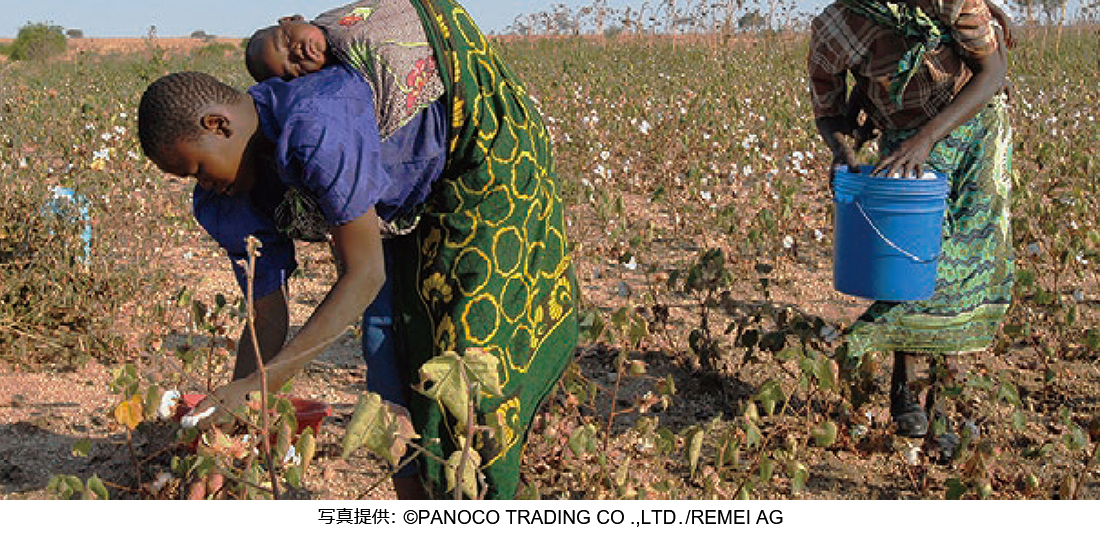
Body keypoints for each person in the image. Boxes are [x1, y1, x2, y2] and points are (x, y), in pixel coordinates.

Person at [138, 0, 578, 499]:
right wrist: (226, 432)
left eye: (196, 169)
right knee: (389, 355)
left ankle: (484, 503)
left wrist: (260, 388)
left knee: (474, 342)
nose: (202, 186)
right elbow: (265, 321)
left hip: (479, 158)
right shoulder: (229, 196)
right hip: (392, 203)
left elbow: (363, 274)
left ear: (218, 125)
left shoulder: (315, 125)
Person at [809, 0, 1014, 452]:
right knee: (911, 260)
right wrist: (845, 152)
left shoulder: (951, 2)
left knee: (961, 268)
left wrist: (927, 137)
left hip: (976, 128)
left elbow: (992, 71)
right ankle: (906, 385)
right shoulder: (835, 29)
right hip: (905, 139)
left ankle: (939, 399)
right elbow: (829, 111)